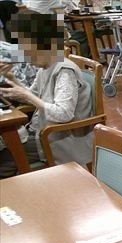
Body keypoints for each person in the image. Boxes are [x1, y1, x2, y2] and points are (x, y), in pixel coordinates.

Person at [0, 10, 94, 178]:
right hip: (43, 132)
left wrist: (27, 96)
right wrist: (11, 78)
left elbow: (64, 114)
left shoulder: (64, 71)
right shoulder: (46, 67)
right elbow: (33, 94)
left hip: (59, 138)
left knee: (4, 160)